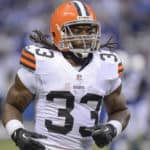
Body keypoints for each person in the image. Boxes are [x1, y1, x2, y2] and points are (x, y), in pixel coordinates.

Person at [2, 1, 130, 150]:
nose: (85, 37)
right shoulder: (43, 62)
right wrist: (17, 132)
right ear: (59, 32)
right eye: (77, 31)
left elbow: (121, 111)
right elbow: (12, 105)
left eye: (89, 31)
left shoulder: (106, 65)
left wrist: (112, 128)